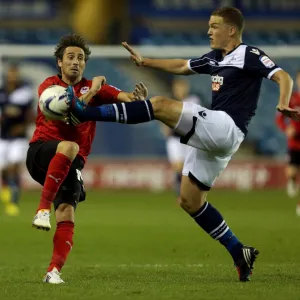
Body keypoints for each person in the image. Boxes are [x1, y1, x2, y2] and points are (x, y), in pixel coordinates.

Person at [68, 7, 299, 282]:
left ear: (232, 30)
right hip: (216, 138)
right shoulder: (215, 58)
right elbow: (182, 65)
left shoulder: (248, 54)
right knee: (189, 200)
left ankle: (85, 113)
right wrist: (145, 62)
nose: (209, 31)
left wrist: (283, 101)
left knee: (159, 104)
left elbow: (282, 75)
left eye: (214, 26)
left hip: (227, 127)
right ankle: (240, 252)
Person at [26, 34, 147, 284]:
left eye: (80, 58)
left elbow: (125, 98)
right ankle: (40, 209)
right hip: (41, 153)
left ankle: (53, 272)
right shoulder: (49, 87)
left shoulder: (95, 86)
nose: (76, 62)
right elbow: (71, 110)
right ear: (59, 62)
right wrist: (93, 91)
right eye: (70, 57)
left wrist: (136, 100)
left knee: (67, 213)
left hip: (71, 162)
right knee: (69, 146)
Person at [0, 62, 35, 216]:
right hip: (3, 136)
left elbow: (30, 115)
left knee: (14, 166)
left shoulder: (25, 93)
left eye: (15, 74)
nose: (12, 77)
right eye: (10, 74)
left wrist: (22, 127)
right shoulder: (1, 92)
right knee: (4, 169)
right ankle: (7, 194)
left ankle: (14, 200)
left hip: (18, 137)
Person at [162, 78, 201, 196]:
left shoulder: (194, 100)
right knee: (178, 166)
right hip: (174, 139)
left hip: (189, 139)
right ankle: (181, 193)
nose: (179, 90)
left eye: (182, 87)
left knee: (188, 168)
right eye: (177, 88)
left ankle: (189, 192)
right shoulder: (170, 101)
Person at [276, 70, 300, 214]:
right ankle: (292, 181)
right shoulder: (292, 98)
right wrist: (287, 129)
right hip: (294, 143)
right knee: (292, 172)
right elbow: (279, 118)